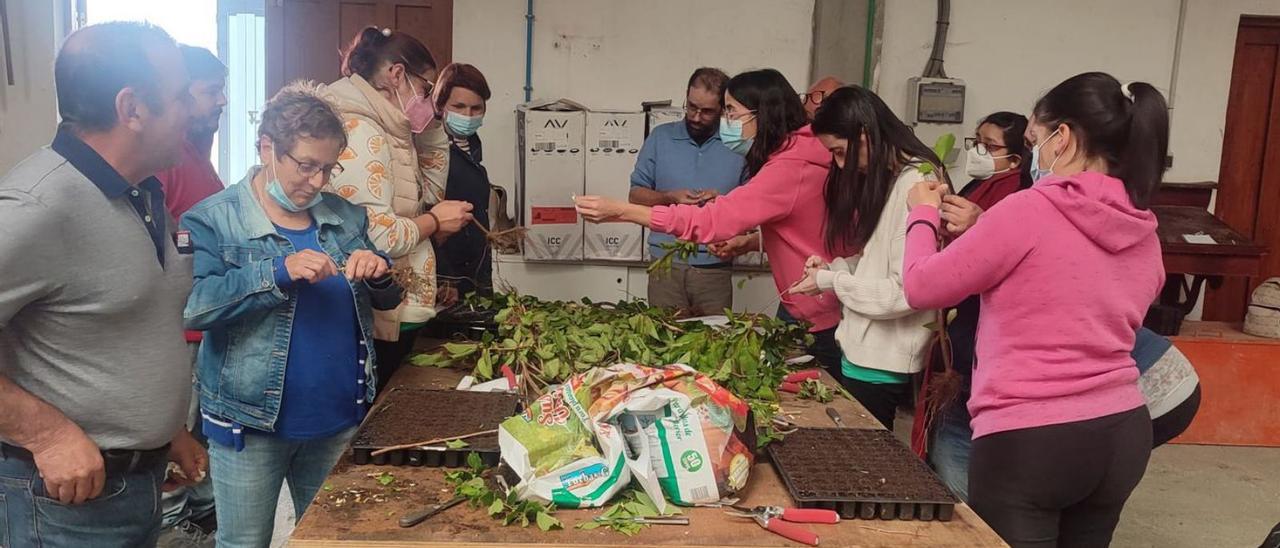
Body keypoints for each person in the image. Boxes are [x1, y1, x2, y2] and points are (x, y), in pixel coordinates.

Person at [902, 72, 1170, 546]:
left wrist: (920, 214)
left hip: (1032, 438)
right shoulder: (1142, 226)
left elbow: (923, 286)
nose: (1034, 156)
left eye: (1033, 140)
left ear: (1061, 137)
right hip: (1122, 430)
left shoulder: (1029, 210)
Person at [0, 22, 206, 547]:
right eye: (181, 96)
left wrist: (165, 434)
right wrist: (45, 435)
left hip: (134, 487)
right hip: (60, 504)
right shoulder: (37, 207)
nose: (194, 109)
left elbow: (118, 323)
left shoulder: (140, 192)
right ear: (132, 108)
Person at [182, 82, 403, 548]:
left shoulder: (345, 217)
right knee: (244, 543)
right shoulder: (215, 220)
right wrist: (277, 272)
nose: (318, 182)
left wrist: (378, 273)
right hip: (251, 425)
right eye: (306, 166)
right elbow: (197, 307)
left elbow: (386, 300)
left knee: (332, 540)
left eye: (328, 168)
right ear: (267, 148)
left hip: (338, 421)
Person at [575, 69, 856, 377]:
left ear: (759, 115)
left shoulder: (790, 166)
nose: (727, 122)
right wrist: (751, 241)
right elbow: (801, 225)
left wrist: (622, 211)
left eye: (731, 112)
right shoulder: (799, 152)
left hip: (820, 310)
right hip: (803, 300)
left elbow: (713, 221)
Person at [322, 27, 473, 393]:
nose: (430, 100)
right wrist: (434, 222)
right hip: (369, 309)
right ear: (397, 75)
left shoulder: (392, 128)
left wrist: (432, 124)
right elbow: (378, 235)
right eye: (427, 89)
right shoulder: (359, 129)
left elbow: (430, 193)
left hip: (396, 305)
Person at [788, 86, 939, 430]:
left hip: (882, 362)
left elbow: (904, 291)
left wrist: (830, 281)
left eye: (842, 152)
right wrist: (833, 269)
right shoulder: (894, 180)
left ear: (865, 134)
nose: (842, 164)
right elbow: (877, 263)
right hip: (862, 353)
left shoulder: (917, 183)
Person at [921, 111, 1033, 499]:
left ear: (1017, 158)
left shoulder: (1019, 194)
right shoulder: (980, 184)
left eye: (990, 146)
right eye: (976, 142)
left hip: (983, 333)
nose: (979, 152)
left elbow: (1000, 252)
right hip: (961, 323)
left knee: (957, 444)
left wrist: (978, 224)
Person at [155, 44, 226, 547]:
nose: (220, 101)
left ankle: (201, 516)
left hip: (204, 324)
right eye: (208, 92)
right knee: (173, 433)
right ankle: (171, 525)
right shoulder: (167, 160)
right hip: (178, 330)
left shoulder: (198, 157)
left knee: (198, 436)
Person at [629, 67, 745, 315]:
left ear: (724, 108)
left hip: (715, 268)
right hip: (666, 266)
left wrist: (724, 202)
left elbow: (754, 206)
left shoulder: (738, 145)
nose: (695, 116)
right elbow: (635, 195)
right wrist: (668, 197)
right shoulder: (660, 138)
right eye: (692, 106)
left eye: (707, 112)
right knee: (664, 342)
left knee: (714, 344)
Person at [433, 62, 496, 299]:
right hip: (447, 281)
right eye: (458, 106)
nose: (467, 116)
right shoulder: (431, 152)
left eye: (476, 108)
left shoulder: (473, 150)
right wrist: (446, 278)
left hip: (475, 275)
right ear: (440, 106)